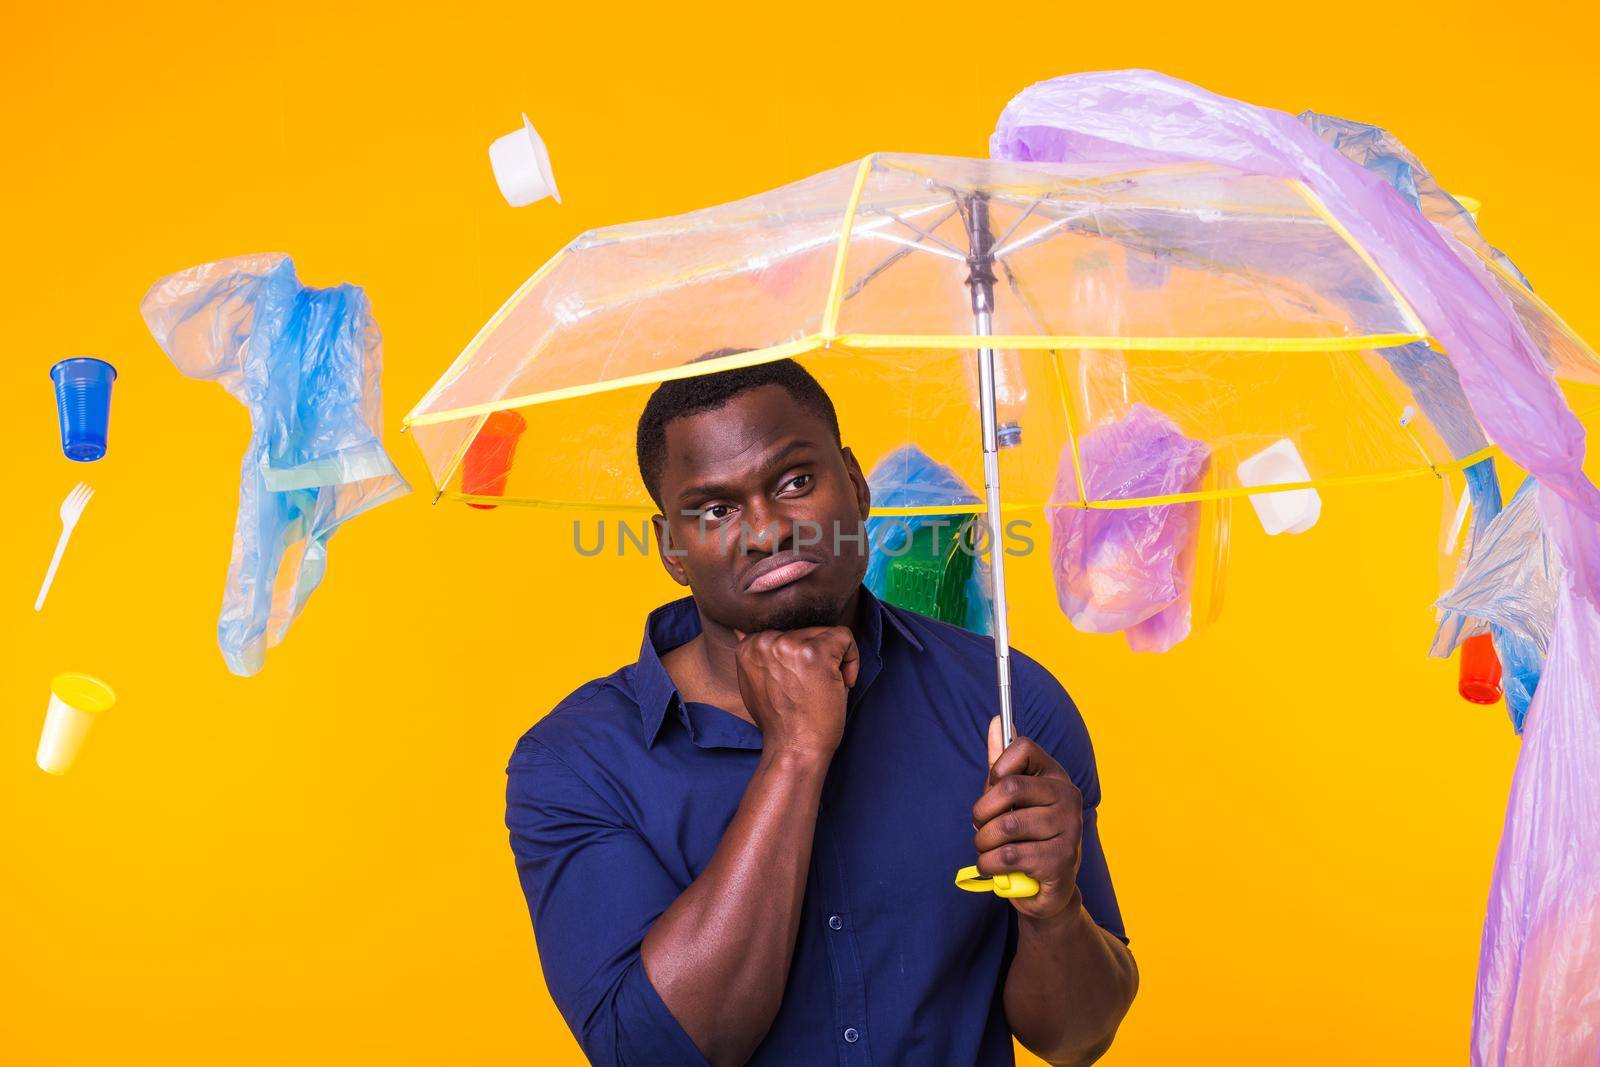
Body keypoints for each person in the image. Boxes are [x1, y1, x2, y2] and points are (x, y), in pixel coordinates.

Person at [506, 358, 1138, 1066]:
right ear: (670, 548)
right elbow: (653, 1055)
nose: (769, 529)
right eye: (716, 509)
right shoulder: (577, 762)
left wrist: (1054, 912)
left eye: (795, 482)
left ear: (857, 484)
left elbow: (1079, 1039)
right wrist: (796, 752)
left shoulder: (1004, 703)